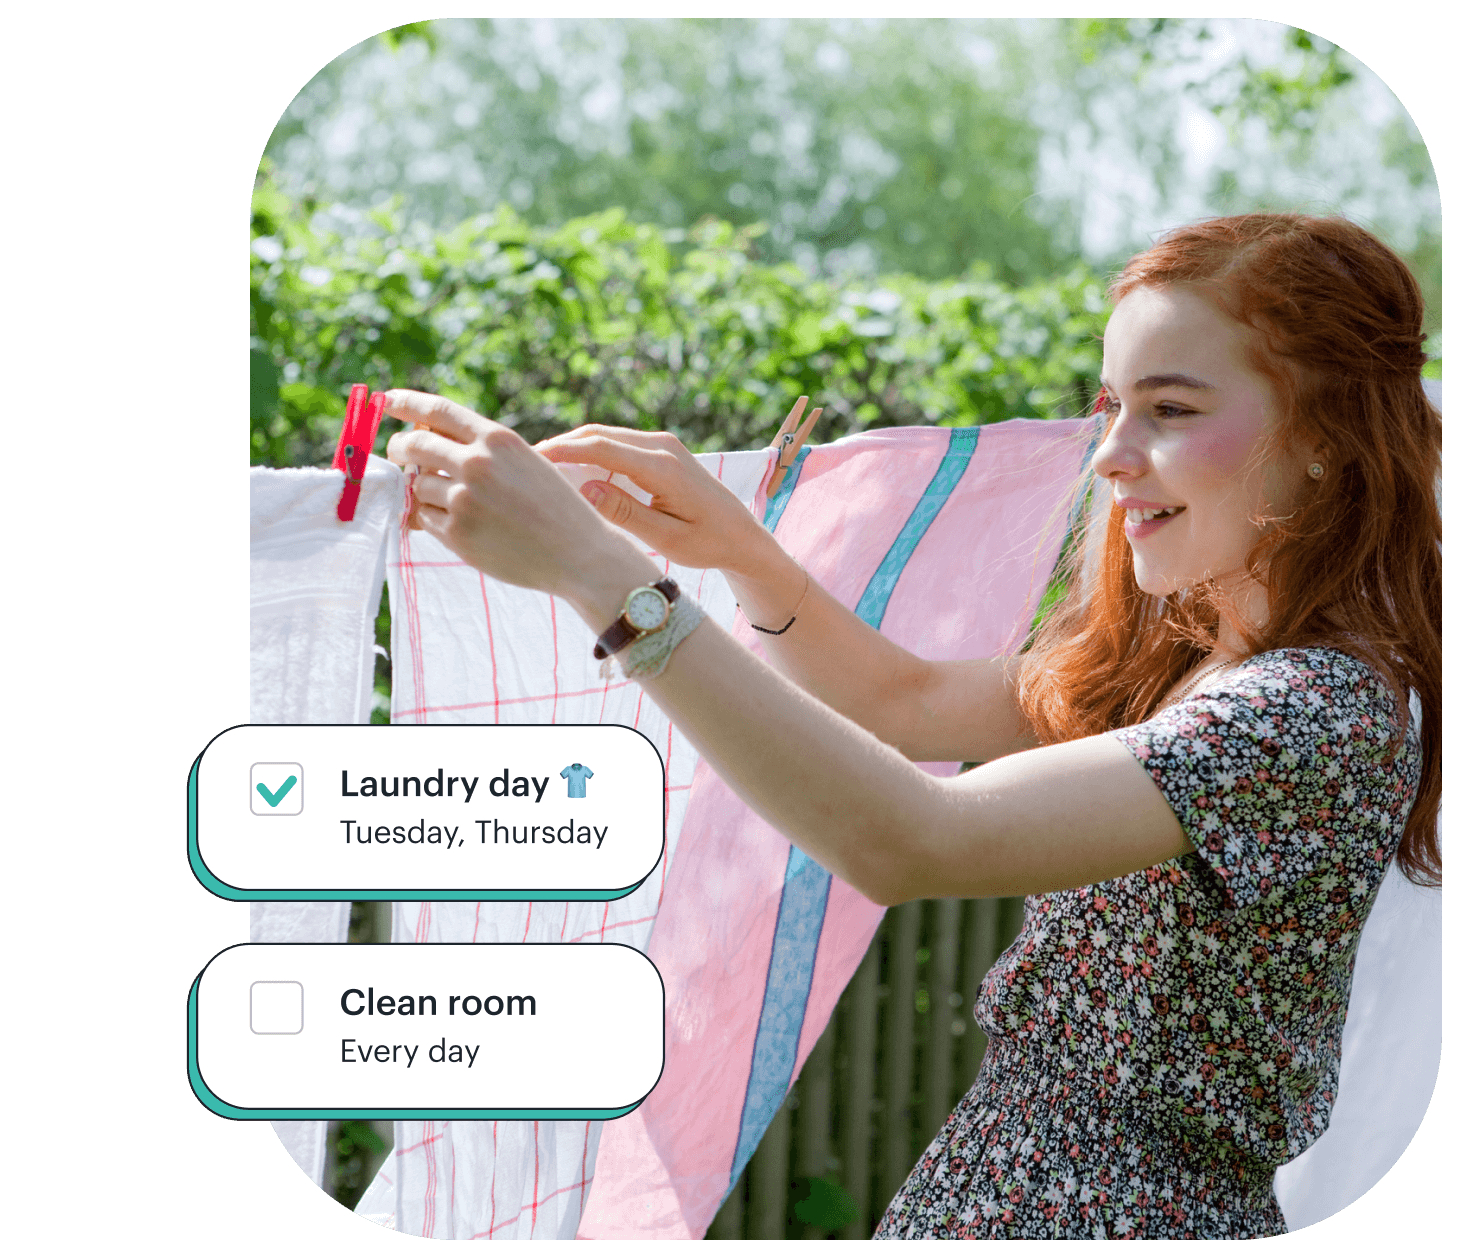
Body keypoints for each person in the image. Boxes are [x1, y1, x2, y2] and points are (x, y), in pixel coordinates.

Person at [381, 213, 1441, 1239]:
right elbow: (904, 704)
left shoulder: (1309, 711)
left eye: (1169, 409)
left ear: (1323, 439)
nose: (1109, 456)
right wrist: (739, 550)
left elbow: (909, 837)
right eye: (1111, 405)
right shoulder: (1189, 663)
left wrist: (608, 583)